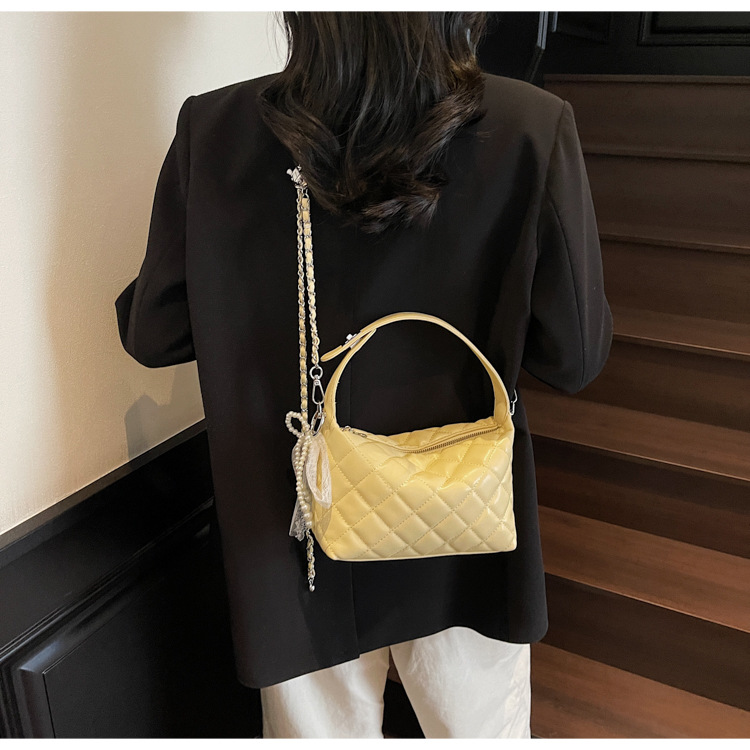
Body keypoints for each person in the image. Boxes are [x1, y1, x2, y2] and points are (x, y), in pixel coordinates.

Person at [115, 11, 612, 739]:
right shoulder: (532, 126)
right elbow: (575, 357)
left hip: (293, 536)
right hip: (459, 529)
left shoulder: (213, 130)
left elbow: (154, 335)